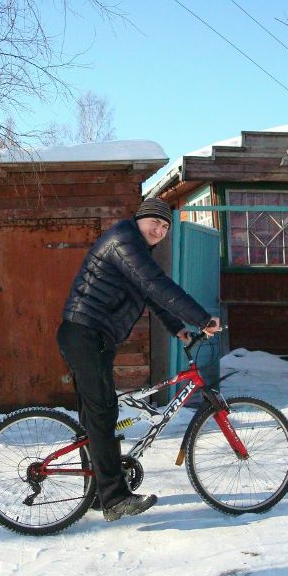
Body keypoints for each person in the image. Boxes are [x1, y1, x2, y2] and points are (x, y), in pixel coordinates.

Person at [57, 198, 221, 522]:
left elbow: (149, 296)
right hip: (84, 333)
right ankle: (115, 499)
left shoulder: (137, 249)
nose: (159, 230)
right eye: (155, 223)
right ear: (140, 219)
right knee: (103, 412)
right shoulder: (124, 240)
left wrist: (179, 329)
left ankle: (97, 493)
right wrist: (201, 318)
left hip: (92, 336)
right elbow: (157, 286)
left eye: (164, 228)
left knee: (96, 415)